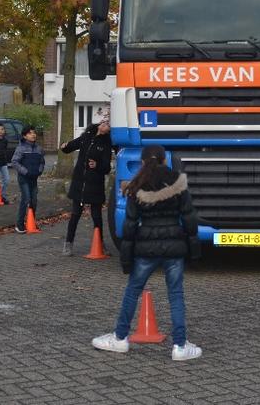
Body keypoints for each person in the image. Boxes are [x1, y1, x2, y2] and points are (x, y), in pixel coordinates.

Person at [92, 145, 203, 361]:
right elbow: (189, 219)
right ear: (164, 160)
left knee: (133, 291)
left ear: (143, 162)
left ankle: (120, 338)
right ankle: (180, 346)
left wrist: (126, 258)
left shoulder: (136, 186)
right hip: (174, 247)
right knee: (176, 294)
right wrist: (194, 252)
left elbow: (130, 226)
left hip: (146, 248)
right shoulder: (178, 182)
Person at [60, 118, 112, 255]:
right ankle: (68, 244)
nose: (104, 124)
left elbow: (106, 167)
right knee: (75, 215)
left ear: (109, 131)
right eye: (103, 122)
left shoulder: (106, 144)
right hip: (79, 183)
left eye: (107, 124)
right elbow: (71, 146)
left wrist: (97, 166)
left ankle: (100, 244)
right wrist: (65, 146)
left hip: (95, 184)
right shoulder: (86, 137)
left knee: (97, 216)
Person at [10, 125, 45, 233]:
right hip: (24, 178)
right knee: (26, 199)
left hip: (34, 179)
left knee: (34, 201)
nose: (33, 135)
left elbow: (42, 162)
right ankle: (19, 224)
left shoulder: (39, 149)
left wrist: (39, 171)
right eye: (30, 133)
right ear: (25, 136)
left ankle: (31, 222)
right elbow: (14, 162)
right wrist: (26, 171)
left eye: (34, 132)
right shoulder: (20, 148)